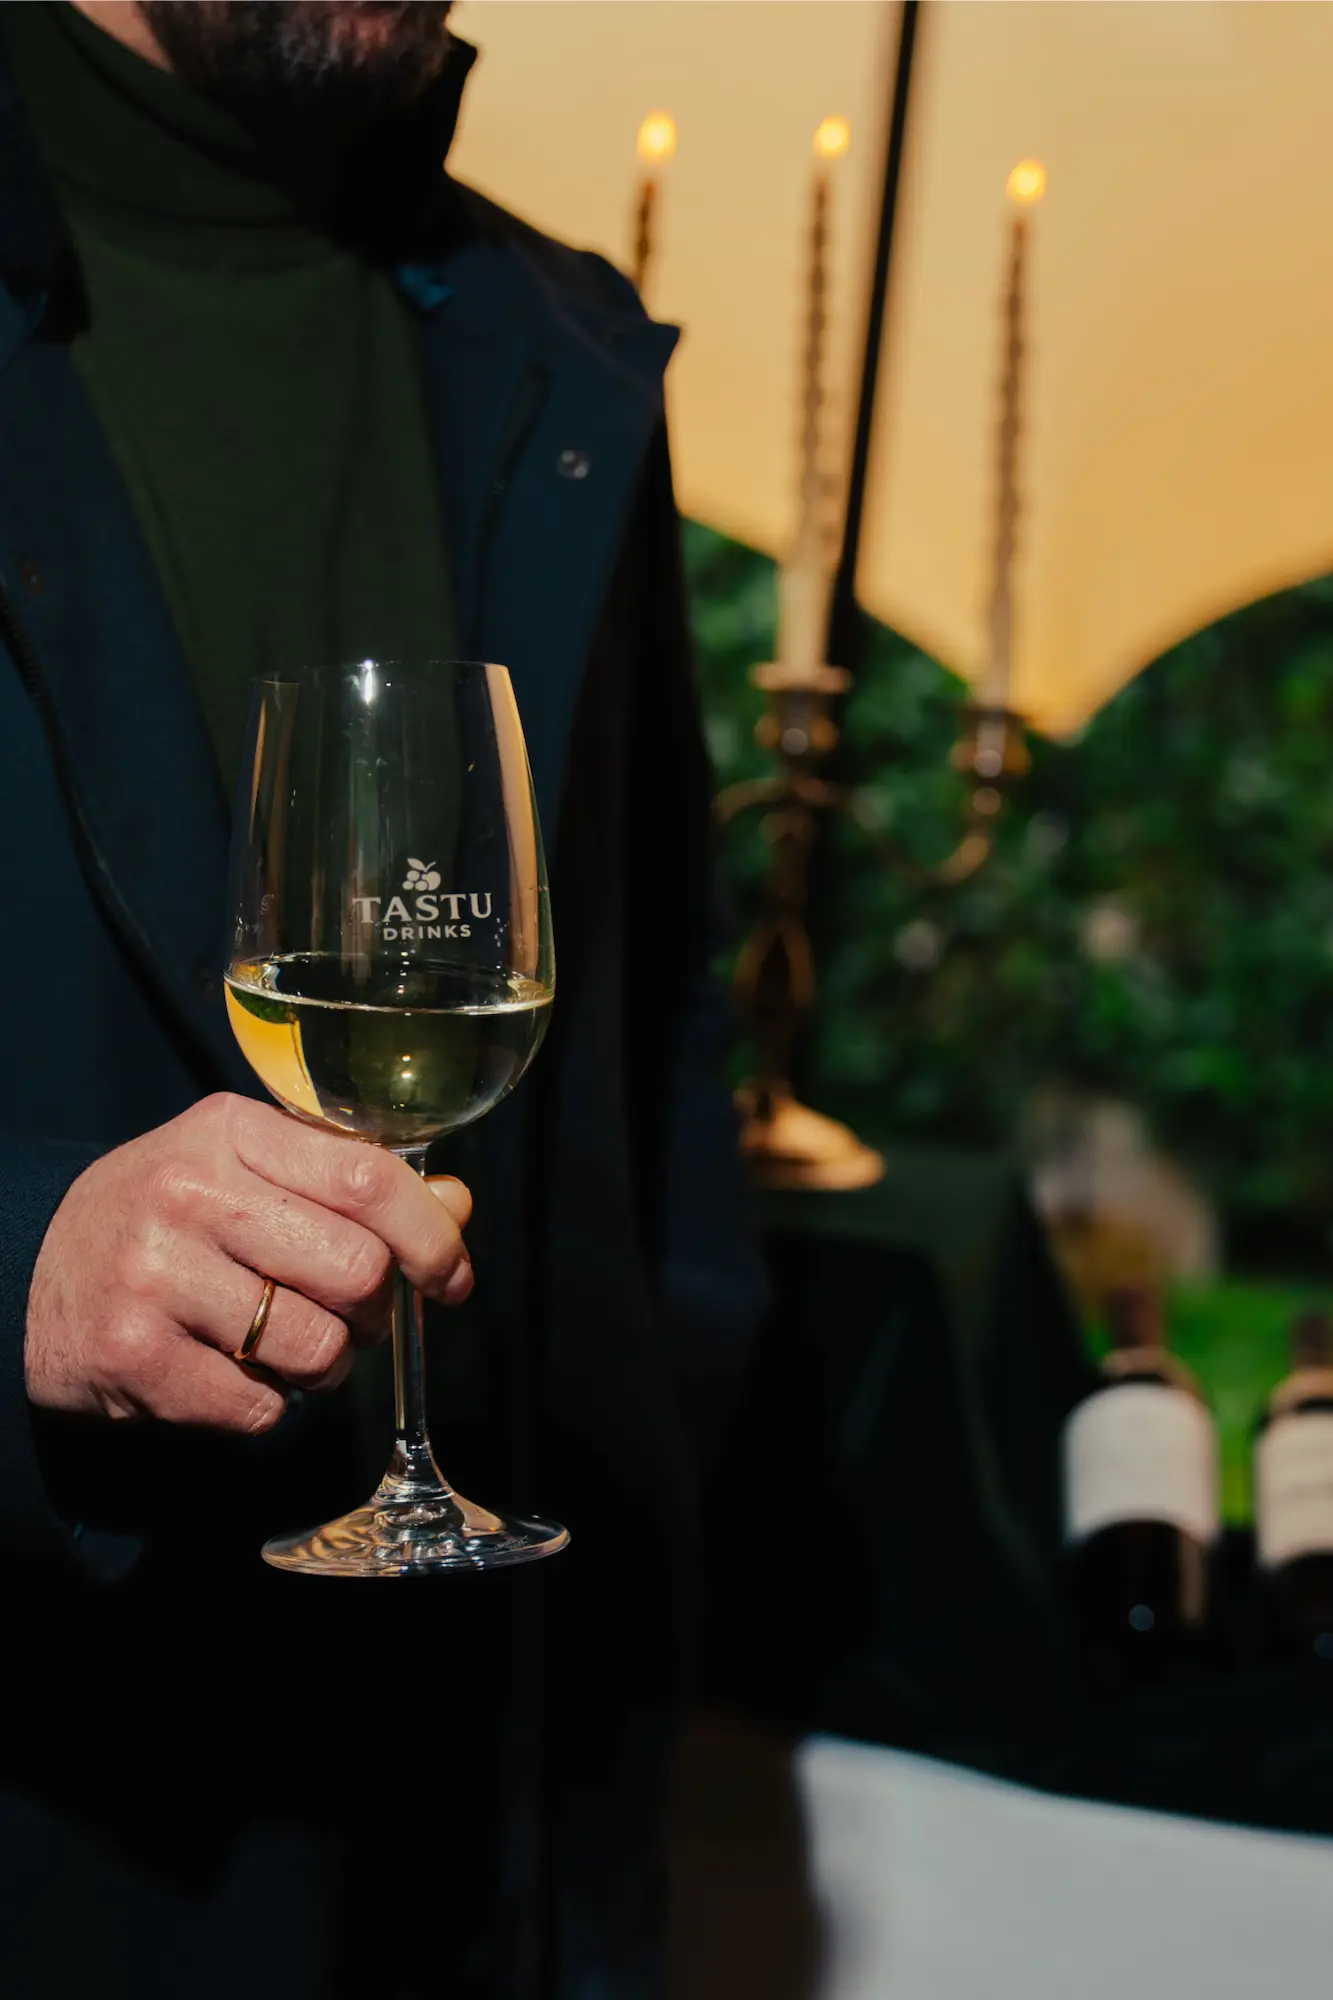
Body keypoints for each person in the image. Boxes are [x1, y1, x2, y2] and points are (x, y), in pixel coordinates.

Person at [0, 4, 763, 1996]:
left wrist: (647, 1462)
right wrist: (18, 1260)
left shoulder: (561, 343)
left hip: (494, 1836)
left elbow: (655, 1039)